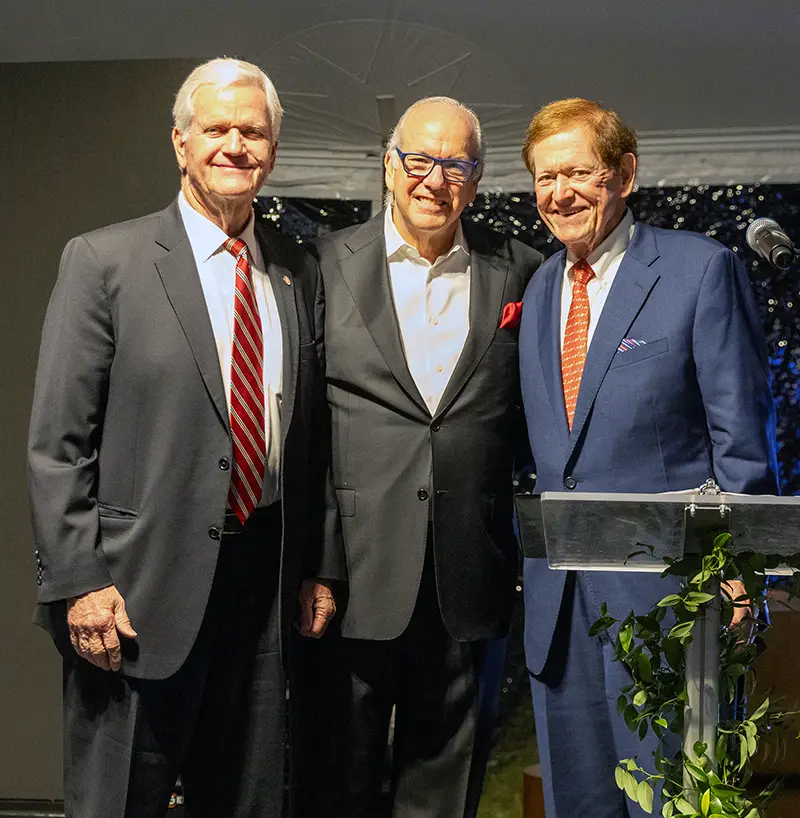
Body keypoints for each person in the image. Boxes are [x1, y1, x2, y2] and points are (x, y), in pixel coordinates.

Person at [27, 57, 341, 818]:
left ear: (272, 147)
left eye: (253, 131)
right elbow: (57, 443)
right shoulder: (104, 261)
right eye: (216, 129)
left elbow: (315, 441)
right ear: (180, 143)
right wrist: (78, 582)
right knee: (118, 801)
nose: (235, 144)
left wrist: (316, 566)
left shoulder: (300, 269)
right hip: (135, 588)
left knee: (248, 798)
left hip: (263, 584)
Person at [517, 98, 778, 818]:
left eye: (577, 172)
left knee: (673, 806)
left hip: (671, 612)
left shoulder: (700, 270)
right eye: (544, 178)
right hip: (561, 607)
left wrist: (738, 574)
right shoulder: (539, 289)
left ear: (625, 174)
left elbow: (742, 445)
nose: (559, 193)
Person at [306, 96, 543, 818]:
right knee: (333, 783)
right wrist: (314, 565)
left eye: (456, 164)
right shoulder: (322, 266)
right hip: (347, 577)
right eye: (419, 159)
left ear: (477, 179)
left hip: (467, 574)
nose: (434, 179)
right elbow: (301, 428)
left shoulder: (522, 272)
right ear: (388, 165)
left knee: (448, 783)